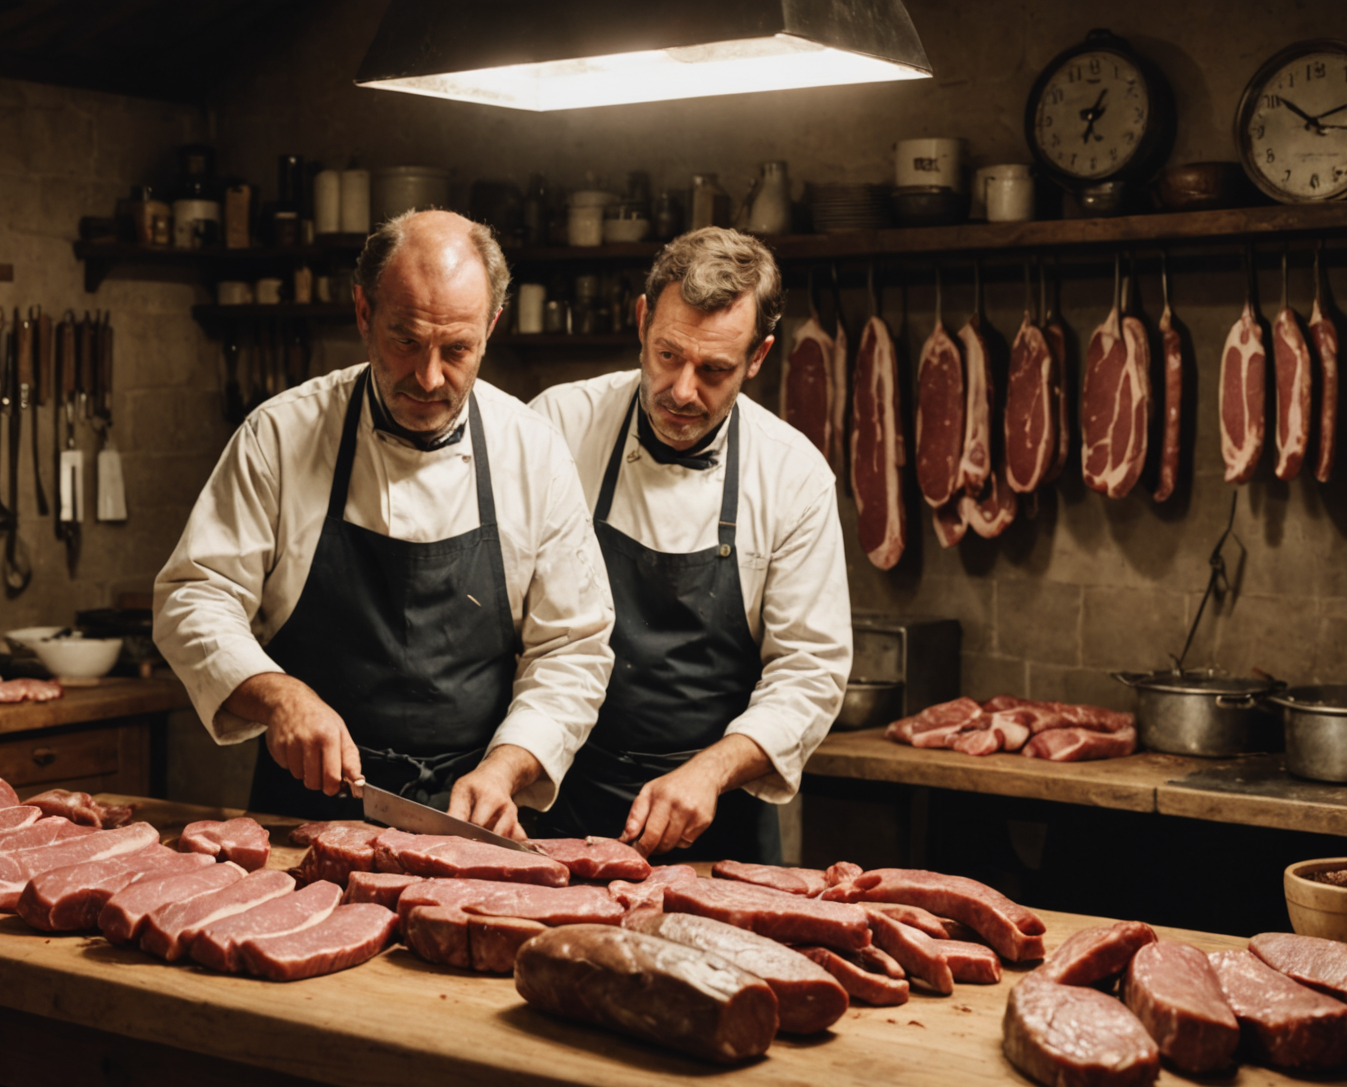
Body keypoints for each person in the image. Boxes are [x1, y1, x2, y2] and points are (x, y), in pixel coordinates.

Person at [154, 209, 614, 836]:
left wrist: (508, 768)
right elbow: (194, 596)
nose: (429, 378)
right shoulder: (280, 435)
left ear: (492, 327)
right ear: (364, 314)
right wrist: (278, 694)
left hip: (468, 815)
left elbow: (572, 647)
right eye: (405, 341)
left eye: (457, 350)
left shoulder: (533, 452)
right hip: (303, 812)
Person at [527, 227, 851, 863]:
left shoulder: (794, 477)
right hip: (556, 800)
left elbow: (809, 670)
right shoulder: (555, 428)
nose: (681, 390)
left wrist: (712, 771)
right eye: (669, 354)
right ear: (644, 320)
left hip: (716, 820)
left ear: (758, 357)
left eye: (714, 370)